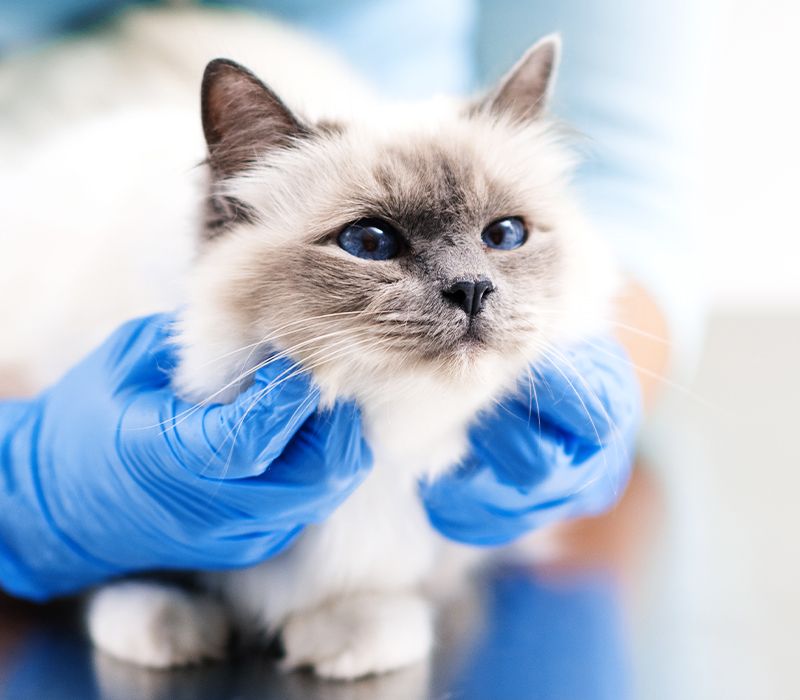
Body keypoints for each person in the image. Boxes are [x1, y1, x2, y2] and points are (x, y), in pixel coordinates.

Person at [1, 0, 698, 600]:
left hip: (407, 125)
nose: (469, 282)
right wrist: (28, 487)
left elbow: (627, 191)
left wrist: (593, 409)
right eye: (372, 242)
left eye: (504, 235)